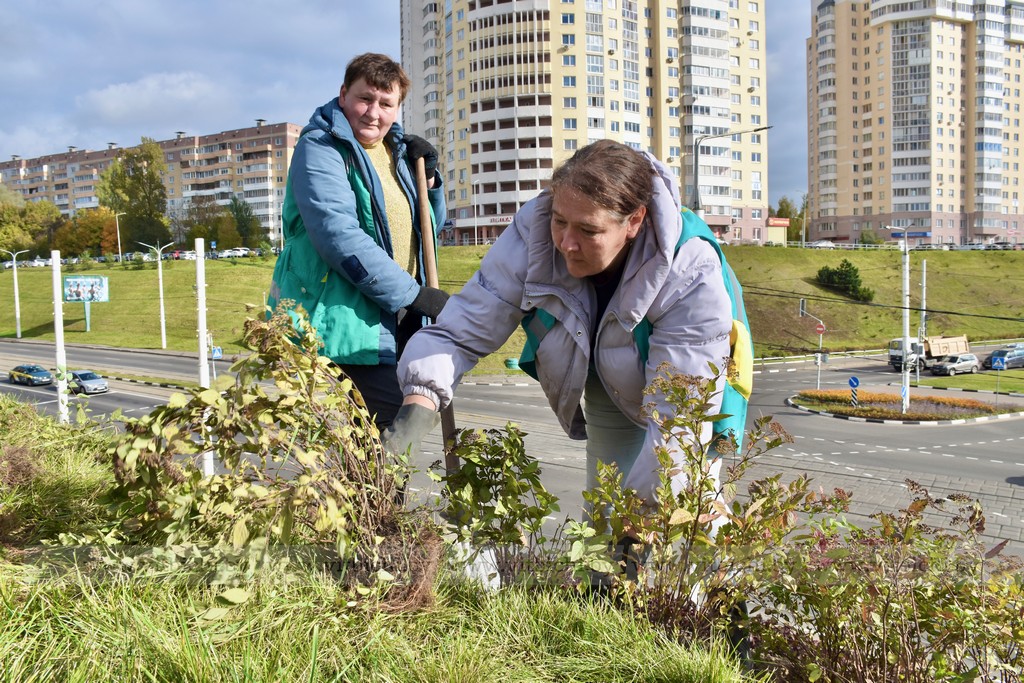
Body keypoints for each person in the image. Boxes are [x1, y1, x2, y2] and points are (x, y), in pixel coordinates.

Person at [385, 139, 733, 507]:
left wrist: (639, 524)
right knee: (604, 513)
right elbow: (465, 327)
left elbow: (679, 427)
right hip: (607, 376)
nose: (566, 243)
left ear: (634, 221)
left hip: (687, 395)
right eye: (560, 221)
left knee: (684, 516)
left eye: (588, 231)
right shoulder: (534, 231)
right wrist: (417, 406)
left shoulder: (690, 269)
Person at [268, 52, 448, 429]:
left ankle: (382, 490)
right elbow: (338, 236)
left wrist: (429, 182)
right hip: (345, 318)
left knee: (396, 440)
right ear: (343, 94)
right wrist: (413, 295)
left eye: (387, 104)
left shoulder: (394, 152)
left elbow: (429, 231)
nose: (374, 113)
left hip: (396, 318)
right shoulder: (321, 147)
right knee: (390, 437)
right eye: (365, 98)